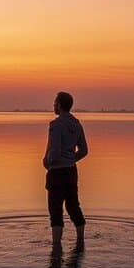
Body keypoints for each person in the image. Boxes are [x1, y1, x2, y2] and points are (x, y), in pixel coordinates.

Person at [43, 90, 88, 246]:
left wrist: (48, 162)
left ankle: (56, 247)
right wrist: (70, 160)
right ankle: (80, 240)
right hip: (71, 171)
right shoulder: (76, 124)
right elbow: (84, 150)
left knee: (55, 211)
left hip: (56, 173)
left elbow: (54, 150)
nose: (53, 105)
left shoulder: (56, 125)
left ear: (60, 105)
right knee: (73, 206)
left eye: (55, 103)